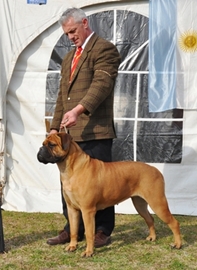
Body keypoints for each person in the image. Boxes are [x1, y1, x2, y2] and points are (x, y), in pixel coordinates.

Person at [46, 7, 121, 248]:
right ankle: (71, 229)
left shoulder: (104, 49)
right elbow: (62, 96)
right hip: (70, 137)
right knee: (67, 185)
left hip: (96, 131)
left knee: (103, 186)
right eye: (66, 34)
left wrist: (79, 110)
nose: (70, 37)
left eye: (72, 31)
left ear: (85, 23)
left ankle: (102, 230)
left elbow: (102, 84)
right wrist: (54, 129)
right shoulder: (69, 58)